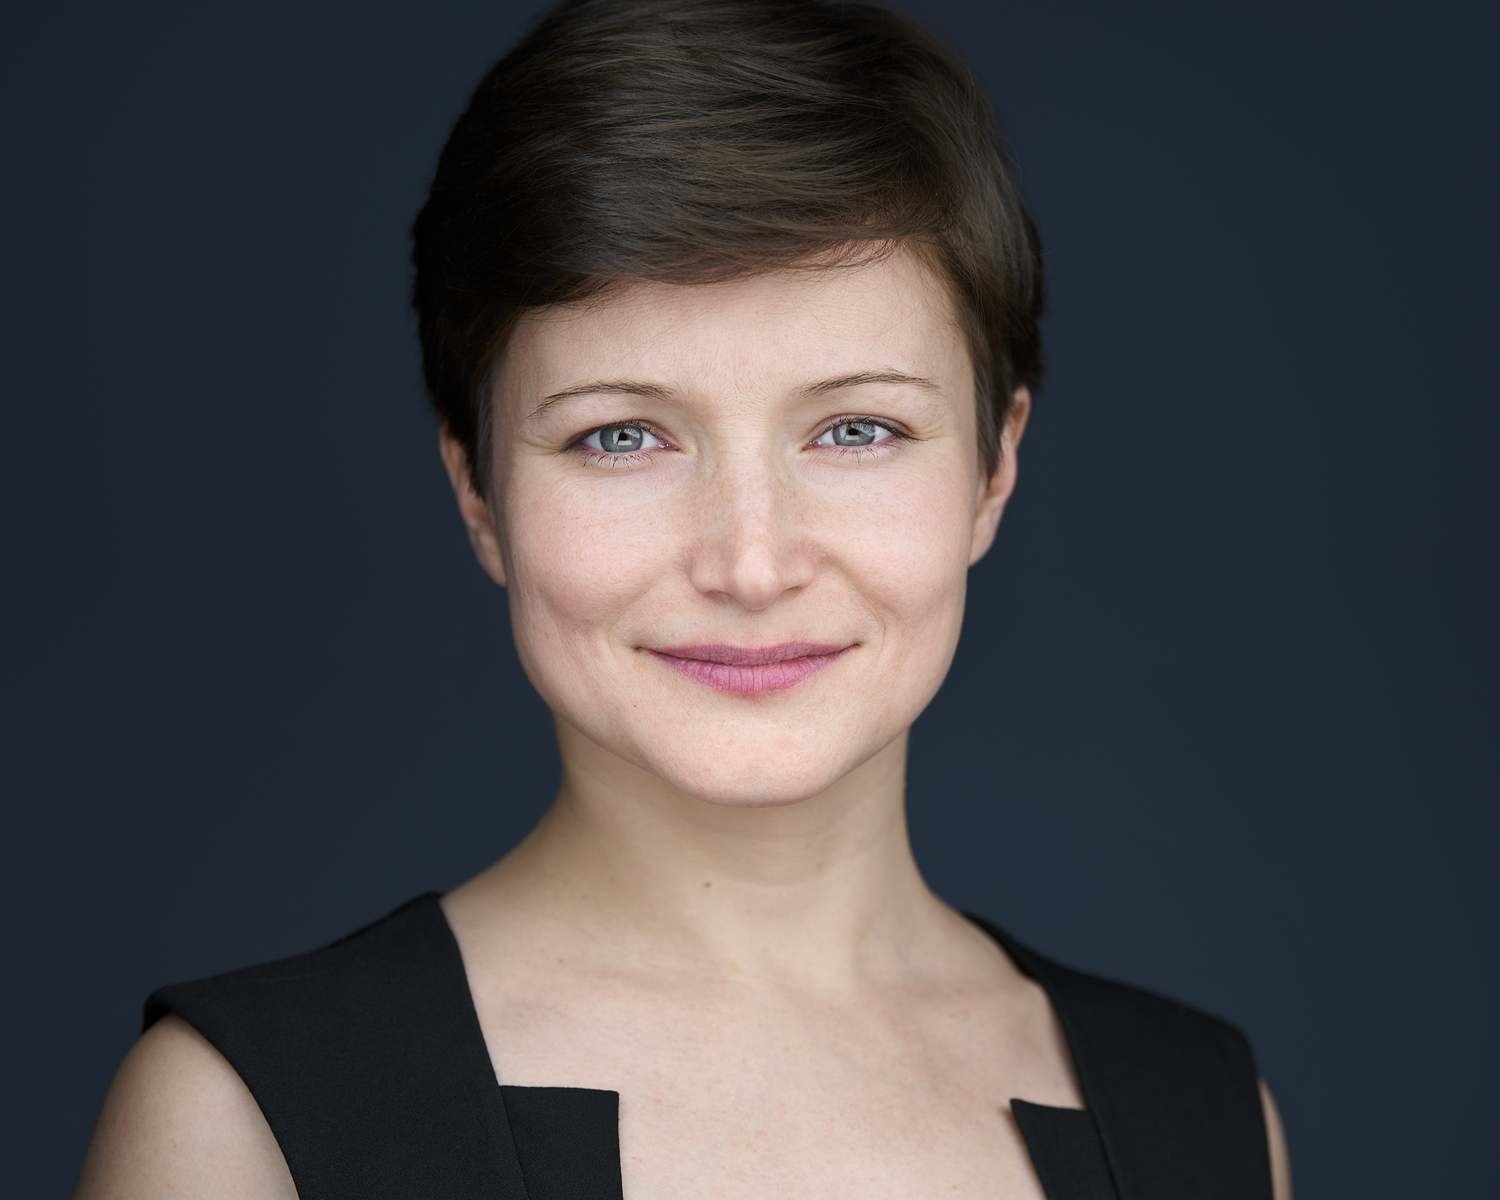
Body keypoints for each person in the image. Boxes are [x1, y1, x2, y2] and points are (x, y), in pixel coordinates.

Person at [75, 1, 1293, 1197]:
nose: (751, 566)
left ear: (993, 468)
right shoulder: (241, 1126)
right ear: (479, 491)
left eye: (857, 429)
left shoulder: (1206, 1120)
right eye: (621, 437)